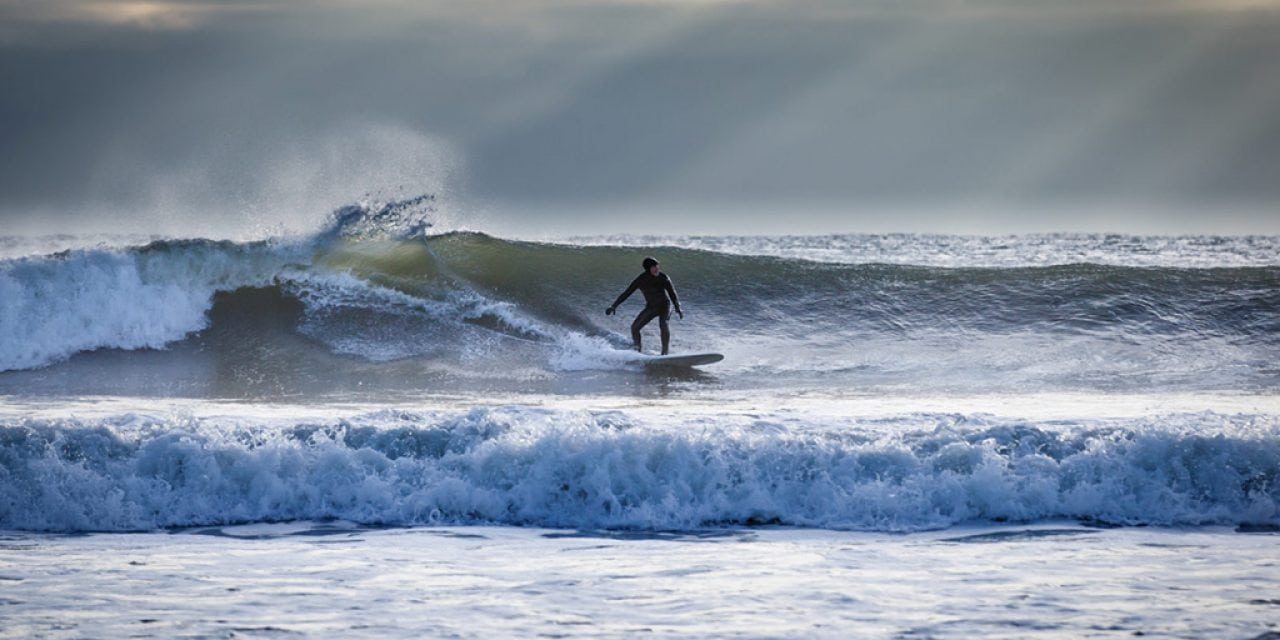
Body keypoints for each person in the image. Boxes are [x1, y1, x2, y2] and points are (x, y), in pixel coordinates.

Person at [606, 256, 683, 355]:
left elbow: (672, 293)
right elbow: (627, 293)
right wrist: (614, 306)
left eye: (657, 266)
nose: (657, 269)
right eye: (654, 267)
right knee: (634, 328)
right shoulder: (641, 280)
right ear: (648, 268)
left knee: (663, 324)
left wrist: (677, 307)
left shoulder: (663, 277)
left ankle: (664, 353)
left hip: (665, 306)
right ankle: (637, 351)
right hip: (651, 307)